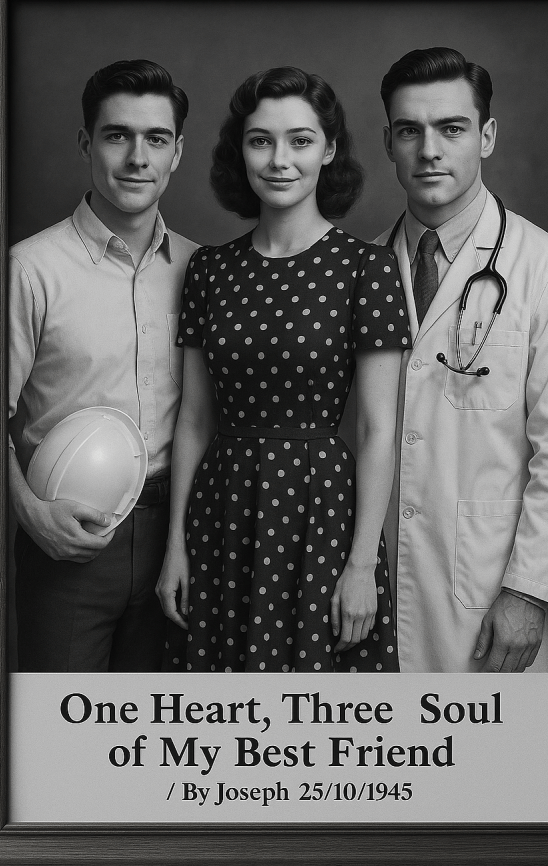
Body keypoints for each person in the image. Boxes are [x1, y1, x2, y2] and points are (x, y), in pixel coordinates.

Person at [156, 66, 410, 672]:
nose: (279, 159)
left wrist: (360, 565)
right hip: (222, 511)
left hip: (320, 513)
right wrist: (175, 548)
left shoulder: (366, 270)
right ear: (239, 152)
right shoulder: (209, 271)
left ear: (329, 153)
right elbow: (193, 419)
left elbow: (379, 429)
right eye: (260, 140)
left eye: (300, 140)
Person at [375, 46, 548, 673]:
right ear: (389, 142)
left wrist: (530, 589)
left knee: (492, 765)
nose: (429, 149)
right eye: (410, 130)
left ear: (485, 136)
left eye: (451, 128)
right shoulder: (362, 267)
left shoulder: (545, 267)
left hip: (488, 597)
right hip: (374, 593)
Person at [9, 59, 198, 672]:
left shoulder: (204, 271)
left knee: (156, 745)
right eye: (118, 136)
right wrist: (32, 515)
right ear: (87, 143)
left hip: (180, 542)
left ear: (177, 155)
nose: (137, 157)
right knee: (64, 742)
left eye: (157, 139)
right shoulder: (29, 269)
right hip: (70, 538)